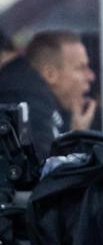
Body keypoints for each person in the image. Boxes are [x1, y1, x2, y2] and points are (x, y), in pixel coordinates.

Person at [0, 30, 96, 163]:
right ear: (50, 74)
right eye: (81, 68)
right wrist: (76, 138)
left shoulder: (42, 100)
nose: (91, 76)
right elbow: (47, 176)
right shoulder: (29, 104)